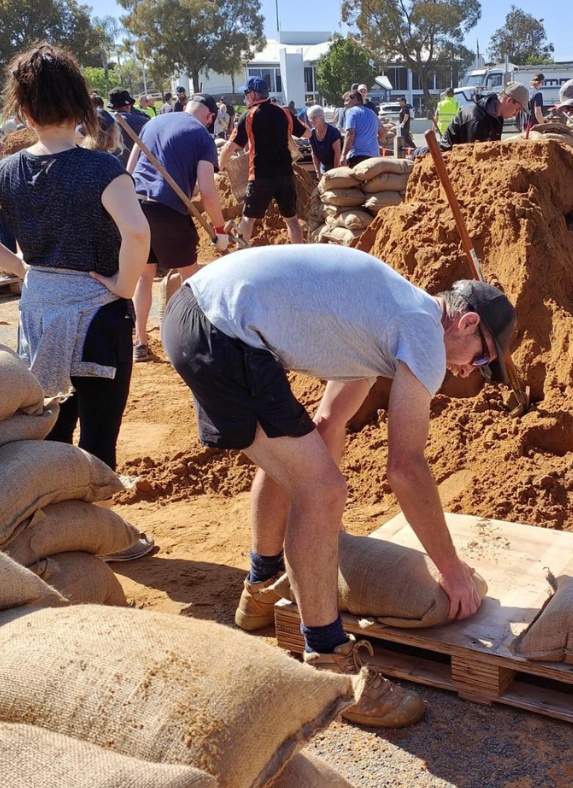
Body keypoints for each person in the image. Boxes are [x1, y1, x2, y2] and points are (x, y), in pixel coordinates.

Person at [161, 244, 516, 727]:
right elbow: (406, 467)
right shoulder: (422, 332)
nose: (468, 372)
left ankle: (263, 586)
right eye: (480, 359)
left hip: (198, 314)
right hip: (221, 330)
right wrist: (451, 571)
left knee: (302, 459)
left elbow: (328, 423)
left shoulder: (383, 323)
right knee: (322, 488)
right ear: (468, 323)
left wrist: (320, 533)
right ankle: (329, 664)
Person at [0, 43, 148, 473]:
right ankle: (99, 534)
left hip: (39, 313)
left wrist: (17, 266)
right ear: (79, 107)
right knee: (98, 440)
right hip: (98, 316)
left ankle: (57, 528)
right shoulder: (102, 169)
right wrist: (124, 285)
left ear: (26, 113)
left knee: (51, 430)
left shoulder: (8, 170)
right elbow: (135, 231)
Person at [128, 91, 229, 363]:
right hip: (167, 210)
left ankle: (140, 343)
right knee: (191, 279)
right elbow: (208, 191)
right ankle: (196, 342)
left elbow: (130, 169)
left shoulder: (153, 123)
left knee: (144, 277)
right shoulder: (201, 135)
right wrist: (220, 231)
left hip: (135, 205)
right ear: (210, 117)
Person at [219, 76, 308, 244]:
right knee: (291, 219)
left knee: (248, 219)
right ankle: (299, 256)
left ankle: (241, 254)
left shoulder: (249, 116)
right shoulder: (284, 112)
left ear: (252, 94)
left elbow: (230, 147)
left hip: (260, 176)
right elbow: (307, 133)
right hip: (285, 174)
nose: (245, 96)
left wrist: (221, 166)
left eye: (246, 93)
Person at [438, 81, 529, 149]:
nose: (516, 114)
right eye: (517, 109)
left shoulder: (497, 117)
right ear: (508, 101)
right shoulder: (477, 119)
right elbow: (473, 157)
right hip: (446, 160)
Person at [339, 90, 381, 167]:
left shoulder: (351, 111)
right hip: (374, 156)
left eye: (347, 100)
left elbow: (350, 134)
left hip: (358, 156)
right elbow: (383, 131)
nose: (345, 104)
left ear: (355, 100)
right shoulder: (372, 112)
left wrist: (343, 155)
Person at [108, 88, 148, 155]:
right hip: (135, 161)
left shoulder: (104, 120)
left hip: (111, 160)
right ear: (127, 106)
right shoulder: (141, 121)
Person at [306, 105, 342, 173]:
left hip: (337, 167)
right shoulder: (311, 133)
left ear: (321, 117)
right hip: (324, 168)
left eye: (314, 118)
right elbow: (314, 154)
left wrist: (335, 173)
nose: (311, 120)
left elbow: (337, 154)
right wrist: (317, 171)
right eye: (310, 118)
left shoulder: (333, 132)